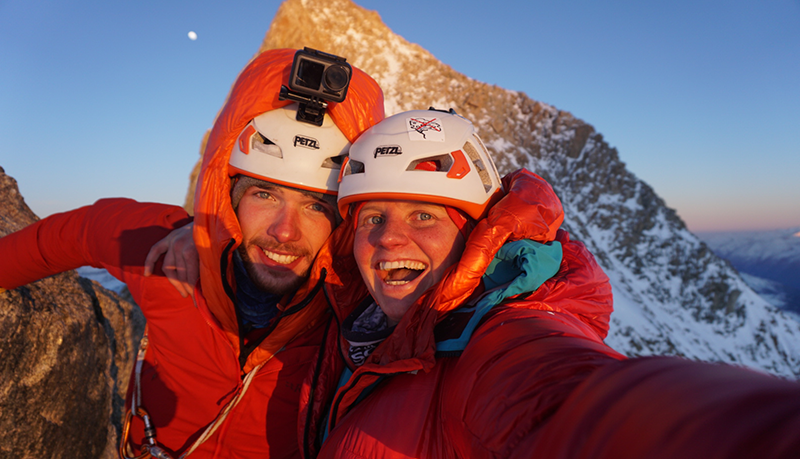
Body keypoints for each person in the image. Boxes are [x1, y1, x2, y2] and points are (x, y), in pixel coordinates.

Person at [292, 109, 800, 458]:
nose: (388, 240)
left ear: (475, 236)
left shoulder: (499, 341)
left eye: (424, 215)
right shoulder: (360, 333)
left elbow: (574, 404)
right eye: (371, 219)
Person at [0, 48, 384, 458]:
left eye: (315, 206)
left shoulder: (360, 306)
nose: (284, 231)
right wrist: (201, 233)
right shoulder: (166, 256)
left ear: (343, 221)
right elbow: (69, 235)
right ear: (228, 198)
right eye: (264, 194)